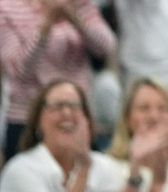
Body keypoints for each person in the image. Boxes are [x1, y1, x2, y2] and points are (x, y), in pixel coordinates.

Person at [0, 0, 116, 162]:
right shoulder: (4, 8)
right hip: (27, 123)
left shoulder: (78, 1)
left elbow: (107, 47)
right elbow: (18, 70)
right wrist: (46, 24)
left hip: (76, 118)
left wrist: (75, 19)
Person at [0, 79, 150, 192]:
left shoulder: (104, 166)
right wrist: (83, 169)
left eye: (74, 106)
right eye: (57, 106)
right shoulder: (21, 170)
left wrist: (135, 172)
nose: (67, 113)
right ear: (38, 121)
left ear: (87, 119)